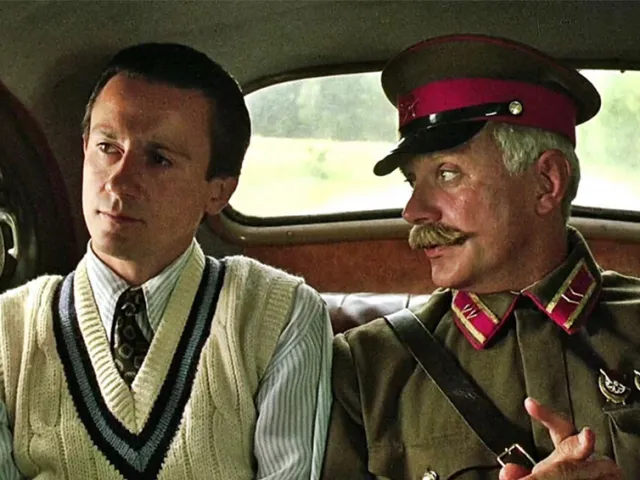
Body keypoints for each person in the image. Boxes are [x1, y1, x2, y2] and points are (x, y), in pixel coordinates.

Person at [0, 43, 332, 479]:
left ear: (219, 191)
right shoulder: (8, 332)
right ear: (84, 148)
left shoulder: (279, 315)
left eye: (158, 159)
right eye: (107, 147)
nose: (118, 182)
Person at [321, 34, 639, 479]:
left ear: (547, 182)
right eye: (412, 181)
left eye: (447, 174)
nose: (414, 211)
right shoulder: (366, 369)